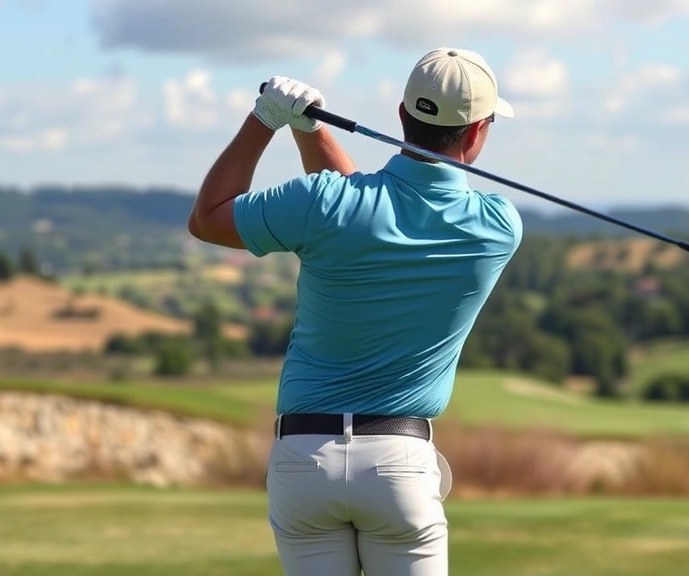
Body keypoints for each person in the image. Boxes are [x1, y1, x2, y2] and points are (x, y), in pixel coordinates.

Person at [187, 47, 523, 576]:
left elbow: (209, 218)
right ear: (478, 132)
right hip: (399, 466)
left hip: (304, 461)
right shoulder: (497, 226)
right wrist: (311, 133)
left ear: (401, 115)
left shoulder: (325, 205)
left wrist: (269, 121)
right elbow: (364, 208)